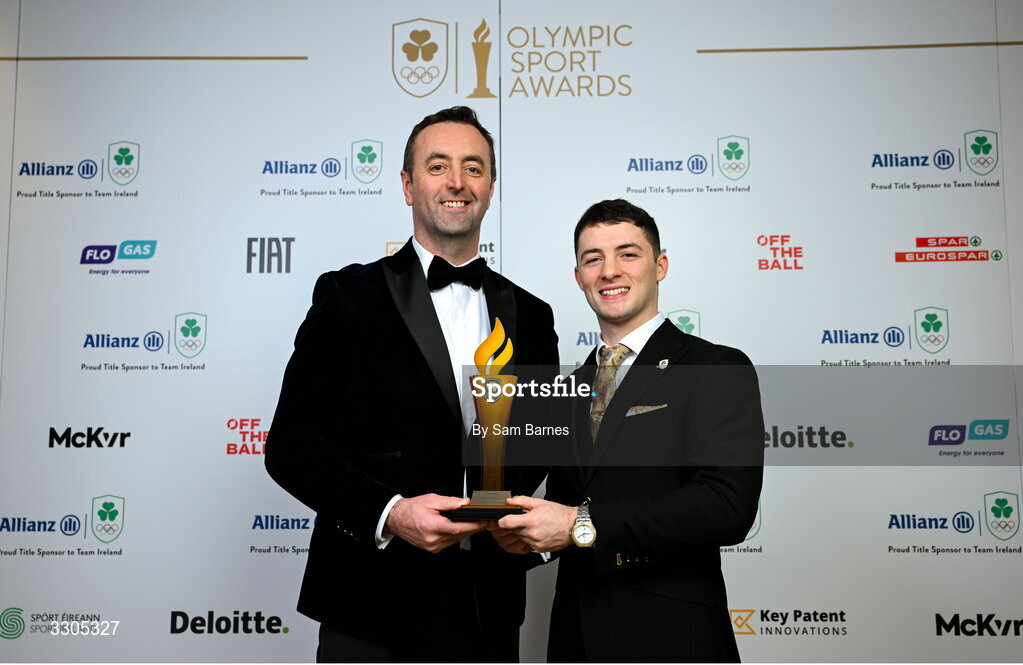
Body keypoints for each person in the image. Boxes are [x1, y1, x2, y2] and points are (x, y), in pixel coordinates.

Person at [265, 106, 559, 662]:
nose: (456, 182)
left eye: (473, 168)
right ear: (407, 185)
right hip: (371, 607)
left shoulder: (532, 314)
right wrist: (390, 512)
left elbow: (535, 445)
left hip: (487, 612)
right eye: (437, 166)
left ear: (491, 188)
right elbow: (292, 445)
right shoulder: (348, 297)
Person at [494, 199, 764, 662]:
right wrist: (526, 538)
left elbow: (727, 507)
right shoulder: (569, 388)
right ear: (578, 276)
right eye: (592, 258)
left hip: (673, 640)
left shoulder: (714, 367)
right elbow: (565, 505)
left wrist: (580, 525)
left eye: (627, 253)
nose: (609, 271)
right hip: (575, 641)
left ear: (660, 266)